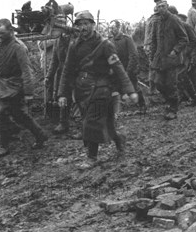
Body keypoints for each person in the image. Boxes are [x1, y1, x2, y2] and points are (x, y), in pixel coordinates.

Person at [58, 11, 137, 168]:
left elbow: (118, 67)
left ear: (93, 25)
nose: (83, 28)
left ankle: (91, 158)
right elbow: (67, 70)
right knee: (108, 124)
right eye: (79, 25)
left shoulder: (105, 44)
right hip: (82, 90)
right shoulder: (74, 46)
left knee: (90, 123)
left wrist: (130, 90)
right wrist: (62, 93)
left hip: (102, 89)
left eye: (86, 24)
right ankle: (119, 139)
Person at [0, 19, 48, 157]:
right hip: (3, 83)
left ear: (11, 31)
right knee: (19, 114)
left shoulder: (18, 47)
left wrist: (28, 92)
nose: (0, 36)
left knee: (1, 114)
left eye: (3, 33)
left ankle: (3, 146)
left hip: (16, 84)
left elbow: (27, 71)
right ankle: (40, 135)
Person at [148, 0, 189, 120]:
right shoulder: (157, 21)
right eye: (159, 7)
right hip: (160, 60)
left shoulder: (174, 20)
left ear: (167, 6)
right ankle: (170, 101)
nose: (161, 9)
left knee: (171, 85)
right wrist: (152, 55)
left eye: (163, 6)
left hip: (171, 59)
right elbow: (154, 40)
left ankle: (173, 109)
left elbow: (184, 38)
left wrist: (175, 51)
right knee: (158, 83)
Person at [46, 16, 75, 136]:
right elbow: (54, 61)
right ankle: (63, 123)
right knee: (63, 96)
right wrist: (49, 76)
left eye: (61, 24)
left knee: (80, 99)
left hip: (76, 72)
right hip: (63, 73)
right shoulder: (58, 41)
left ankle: (84, 125)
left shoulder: (75, 38)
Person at [109, 20, 146, 113]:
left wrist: (128, 71)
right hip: (116, 71)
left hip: (128, 69)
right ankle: (115, 112)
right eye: (110, 28)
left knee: (134, 87)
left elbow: (133, 55)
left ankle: (142, 106)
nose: (111, 30)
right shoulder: (110, 40)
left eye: (113, 28)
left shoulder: (127, 39)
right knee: (114, 89)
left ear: (118, 28)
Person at [174, 10, 196, 106]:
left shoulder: (185, 26)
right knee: (180, 77)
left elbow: (194, 41)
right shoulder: (172, 27)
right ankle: (185, 96)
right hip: (177, 56)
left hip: (186, 55)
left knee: (181, 76)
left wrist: (186, 52)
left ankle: (194, 98)